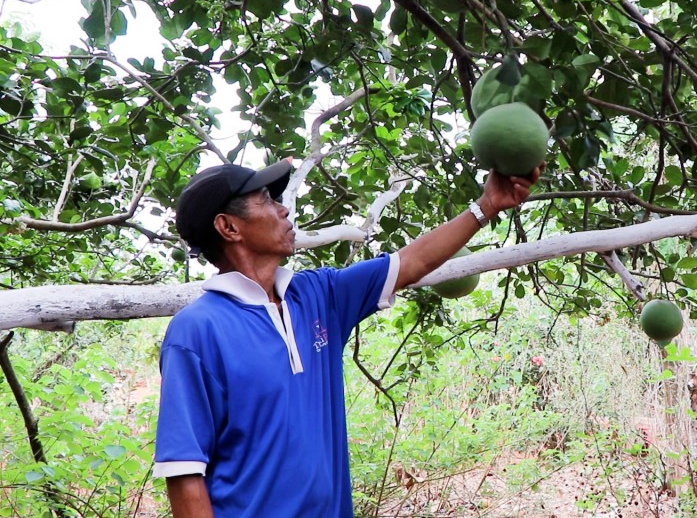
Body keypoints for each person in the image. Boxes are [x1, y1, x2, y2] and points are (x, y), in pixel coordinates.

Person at [153, 158, 540, 517]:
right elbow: (185, 472)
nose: (283, 210)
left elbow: (412, 262)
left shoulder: (319, 297)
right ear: (229, 227)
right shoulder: (197, 330)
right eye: (267, 200)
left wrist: (487, 204)